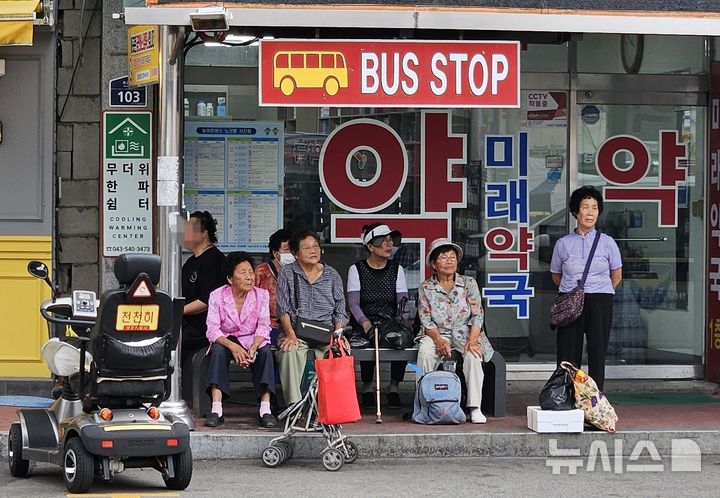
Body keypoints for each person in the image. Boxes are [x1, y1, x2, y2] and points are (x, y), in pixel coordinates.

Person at [551, 185, 622, 392]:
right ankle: (565, 394)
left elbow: (616, 276)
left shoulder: (608, 243)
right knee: (567, 352)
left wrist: (597, 290)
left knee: (597, 350)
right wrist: (575, 292)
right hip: (570, 300)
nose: (590, 212)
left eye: (595, 208)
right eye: (585, 207)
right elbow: (556, 275)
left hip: (600, 300)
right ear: (576, 211)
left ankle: (595, 398)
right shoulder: (563, 244)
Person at [416, 238, 494, 424]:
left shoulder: (468, 283)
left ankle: (474, 407)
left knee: (474, 356)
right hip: (436, 332)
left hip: (465, 332)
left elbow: (477, 315)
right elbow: (425, 319)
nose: (450, 260)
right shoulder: (426, 287)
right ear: (434, 264)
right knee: (425, 353)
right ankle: (423, 404)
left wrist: (473, 340)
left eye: (453, 257)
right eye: (444, 257)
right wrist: (438, 340)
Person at [204, 252, 278, 428]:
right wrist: (234, 348)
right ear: (230, 278)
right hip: (226, 340)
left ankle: (265, 409)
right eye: (243, 273)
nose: (249, 277)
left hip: (253, 339)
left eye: (251, 272)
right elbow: (212, 329)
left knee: (266, 351)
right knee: (218, 351)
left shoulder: (261, 295)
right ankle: (216, 409)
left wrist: (253, 347)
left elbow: (264, 325)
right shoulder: (217, 295)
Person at [275, 229, 348, 406]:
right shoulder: (287, 273)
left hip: (326, 333)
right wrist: (290, 334)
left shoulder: (332, 274)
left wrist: (338, 336)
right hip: (296, 331)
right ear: (295, 253)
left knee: (340, 353)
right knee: (289, 351)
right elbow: (282, 309)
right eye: (306, 248)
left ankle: (330, 406)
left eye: (316, 246)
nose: (313, 251)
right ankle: (295, 405)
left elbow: (340, 310)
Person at [347, 223, 408, 408]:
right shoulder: (356, 269)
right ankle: (367, 386)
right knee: (367, 338)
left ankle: (394, 387)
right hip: (365, 320)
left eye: (391, 241)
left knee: (402, 338)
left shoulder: (397, 269)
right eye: (383, 241)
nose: (388, 245)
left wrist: (402, 322)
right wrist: (364, 322)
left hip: (391, 320)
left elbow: (403, 302)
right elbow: (353, 304)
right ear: (370, 246)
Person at [181, 211, 227, 374]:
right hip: (185, 323)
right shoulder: (190, 262)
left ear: (203, 233)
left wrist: (178, 311)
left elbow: (207, 300)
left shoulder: (214, 260)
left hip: (201, 329)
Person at [254, 229, 294, 344]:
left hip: (295, 327)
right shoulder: (261, 272)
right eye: (287, 250)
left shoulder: (298, 271)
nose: (291, 254)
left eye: (293, 250)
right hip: (268, 326)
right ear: (276, 253)